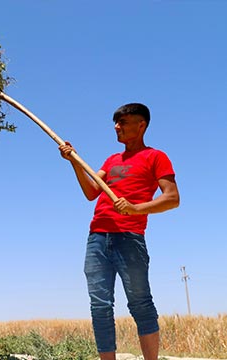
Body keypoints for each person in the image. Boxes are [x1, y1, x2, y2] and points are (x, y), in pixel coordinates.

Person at [58, 103, 180, 360]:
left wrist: (136, 209)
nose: (117, 127)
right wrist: (74, 162)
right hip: (97, 238)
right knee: (100, 306)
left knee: (140, 303)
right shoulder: (112, 160)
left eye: (123, 122)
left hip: (130, 238)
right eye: (116, 122)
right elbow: (92, 192)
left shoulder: (156, 157)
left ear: (141, 125)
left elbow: (172, 198)